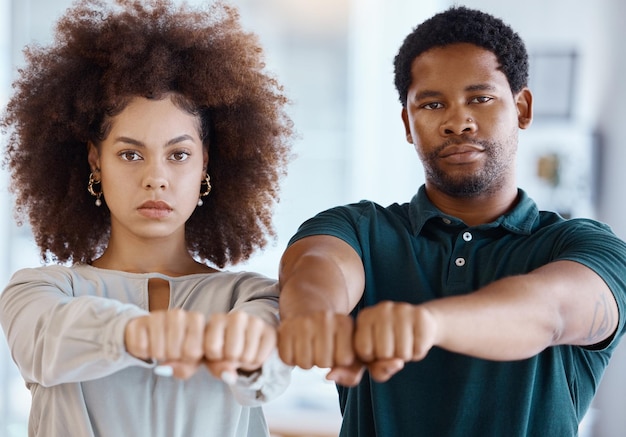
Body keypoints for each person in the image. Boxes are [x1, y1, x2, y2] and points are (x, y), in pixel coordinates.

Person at [277, 6, 626, 436]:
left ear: (522, 108)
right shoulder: (359, 229)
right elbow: (316, 267)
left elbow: (547, 311)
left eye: (480, 99)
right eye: (432, 103)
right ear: (408, 123)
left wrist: (427, 324)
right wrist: (313, 315)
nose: (457, 122)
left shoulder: (589, 249)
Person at [0, 1, 294, 436]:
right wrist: (142, 335)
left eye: (178, 155)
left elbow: (265, 369)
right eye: (130, 154)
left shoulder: (253, 297)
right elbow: (45, 340)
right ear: (95, 162)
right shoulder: (40, 292)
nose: (156, 178)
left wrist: (246, 343)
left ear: (206, 165)